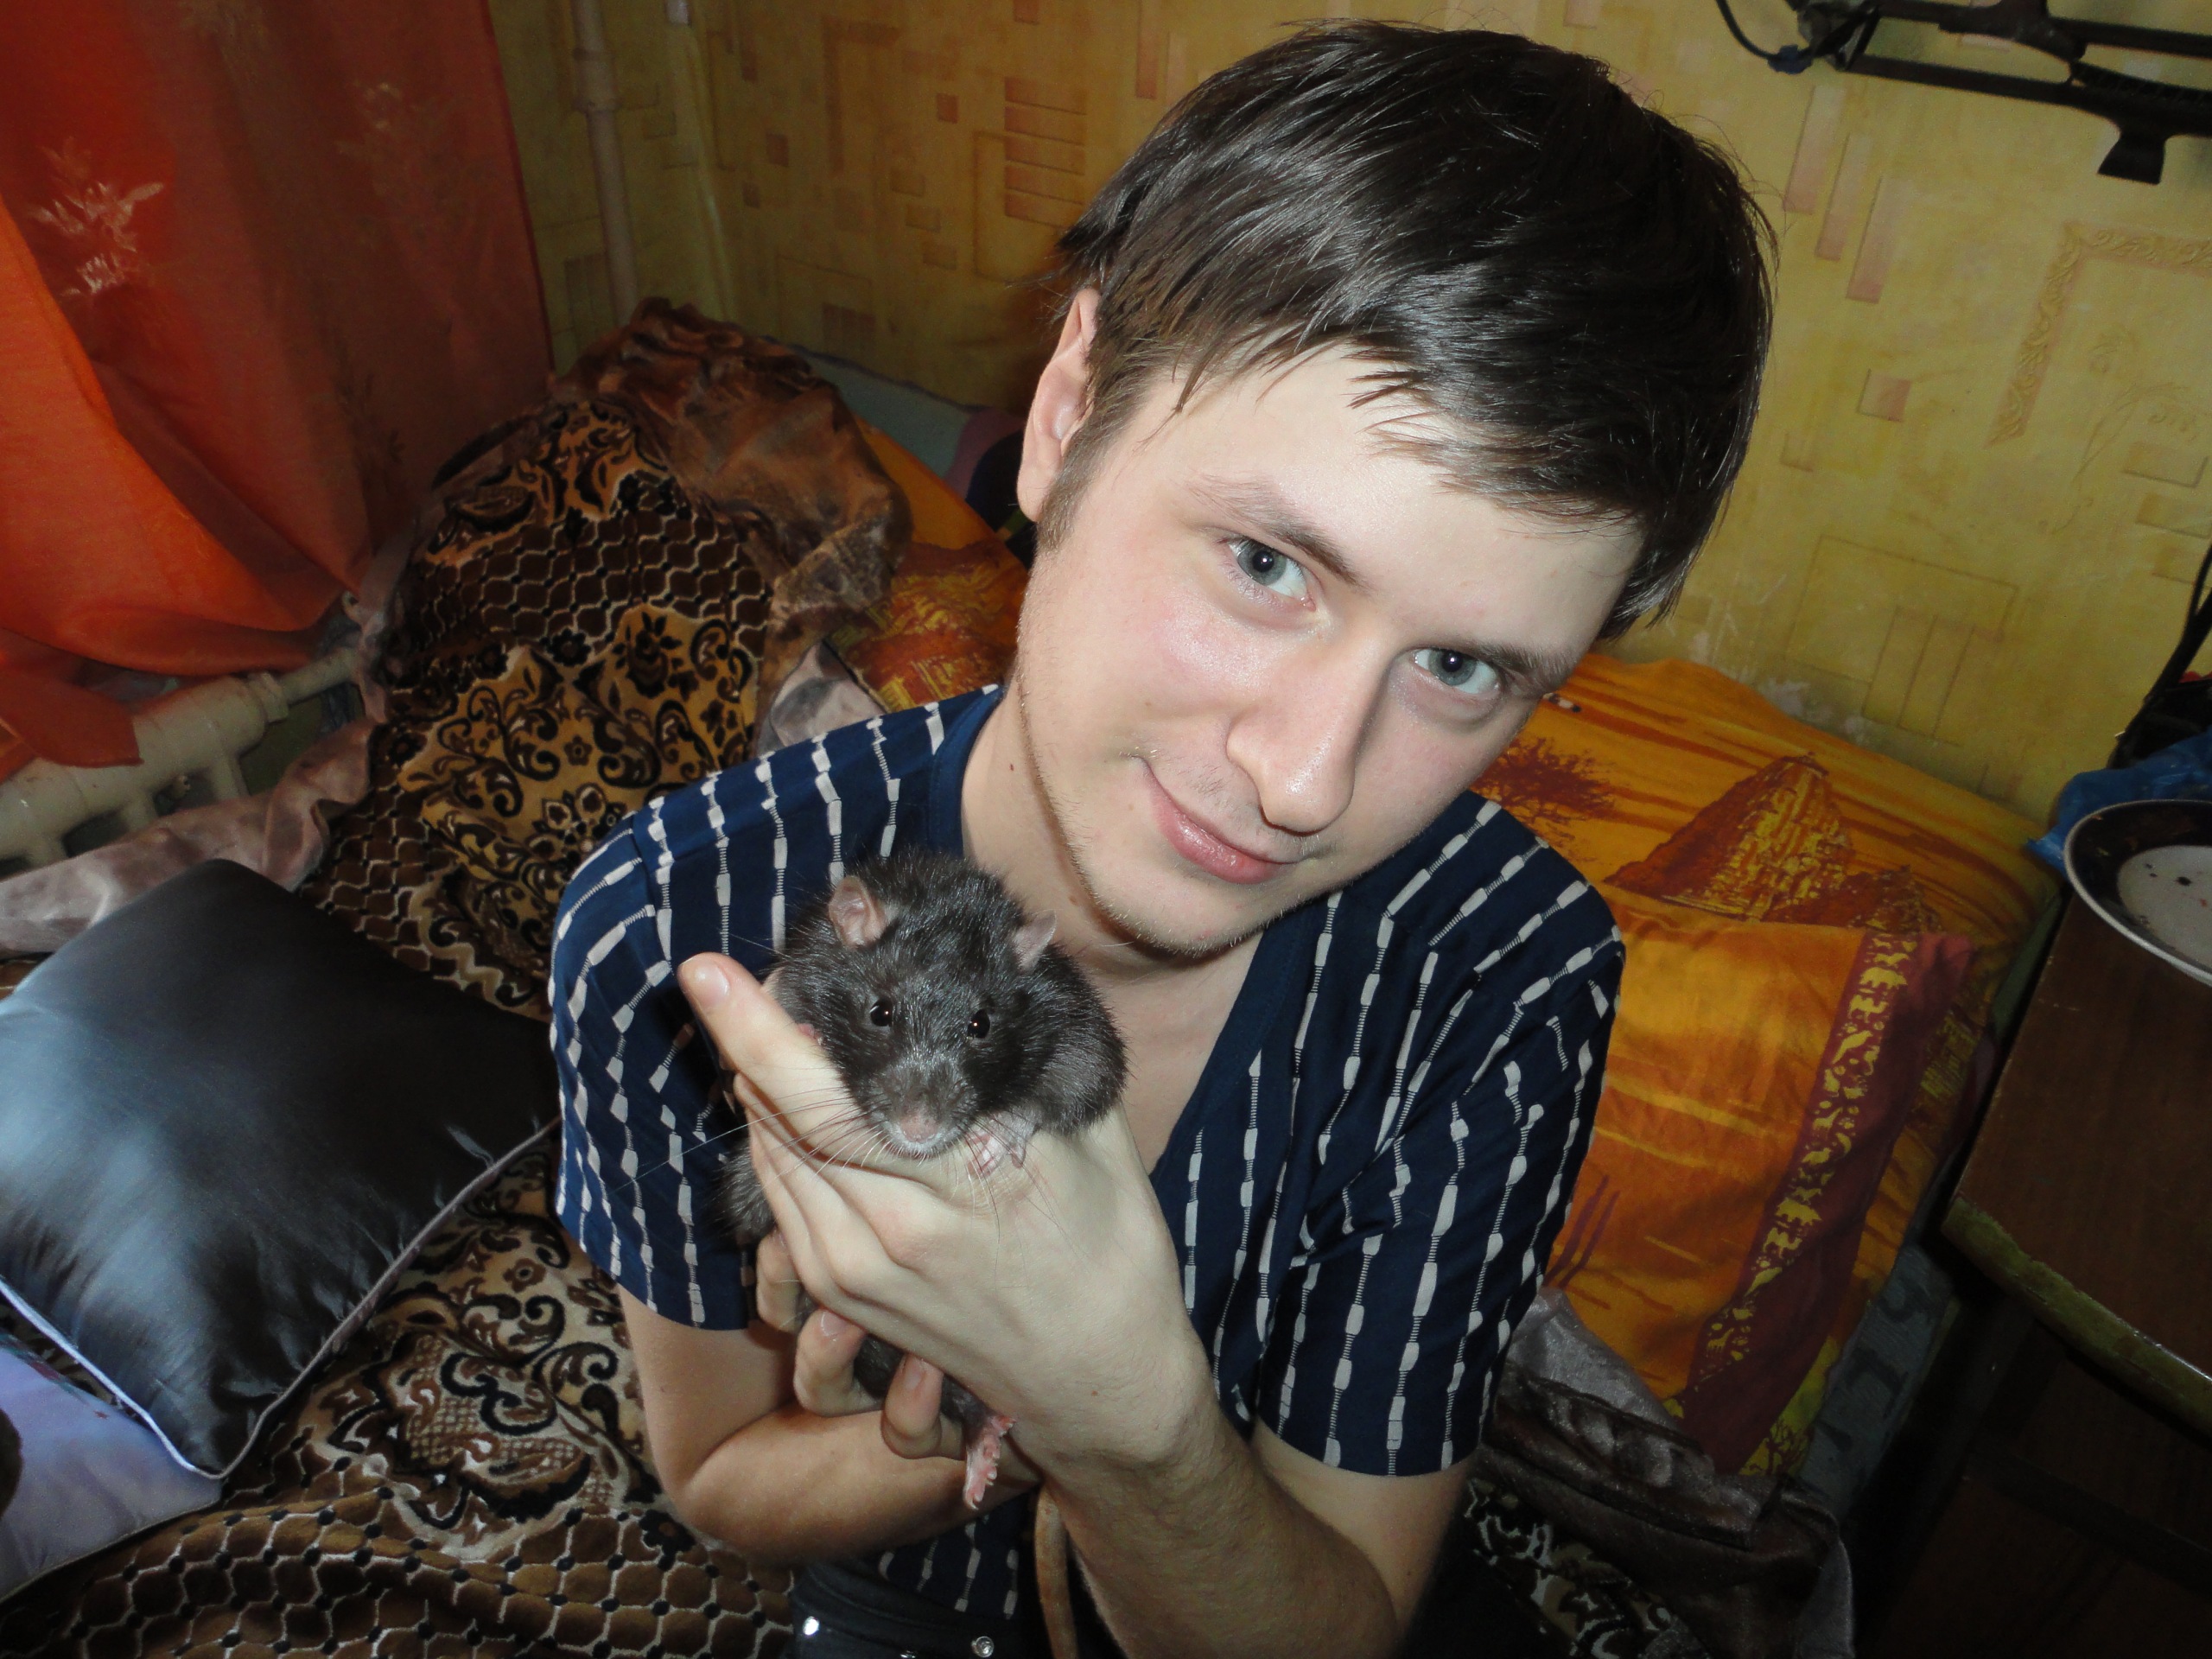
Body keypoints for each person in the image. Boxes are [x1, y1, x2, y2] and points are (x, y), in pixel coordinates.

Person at [553, 21, 1769, 1659]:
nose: (1307, 783)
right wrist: (1006, 1425)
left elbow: (1342, 1615)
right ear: (1065, 415)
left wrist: (1130, 1423)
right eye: (1268, 564)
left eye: (1462, 668)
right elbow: (717, 1475)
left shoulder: (1501, 974)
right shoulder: (670, 917)